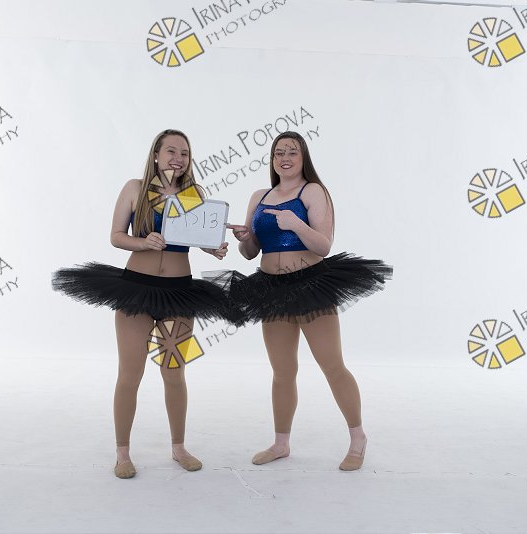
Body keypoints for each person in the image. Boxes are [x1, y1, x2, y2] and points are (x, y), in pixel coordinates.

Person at [52, 129, 230, 478]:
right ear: (156, 155)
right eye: (171, 151)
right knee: (130, 373)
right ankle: (122, 453)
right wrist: (143, 242)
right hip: (136, 290)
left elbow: (198, 238)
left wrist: (216, 248)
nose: (178, 158)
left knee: (174, 372)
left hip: (180, 293)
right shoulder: (135, 188)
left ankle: (178, 448)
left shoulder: (194, 194)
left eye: (184, 153)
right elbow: (116, 236)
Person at [225, 131, 392, 471]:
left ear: (303, 159)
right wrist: (246, 237)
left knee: (332, 364)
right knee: (282, 371)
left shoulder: (312, 191)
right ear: (272, 159)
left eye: (292, 152)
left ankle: (358, 438)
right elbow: (250, 252)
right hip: (271, 288)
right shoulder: (259, 196)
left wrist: (295, 224)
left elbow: (323, 245)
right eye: (279, 152)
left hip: (310, 285)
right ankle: (281, 443)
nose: (285, 157)